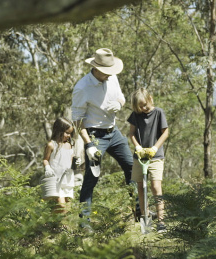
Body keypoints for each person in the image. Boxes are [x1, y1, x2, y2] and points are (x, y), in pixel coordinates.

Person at [71, 48, 136, 229]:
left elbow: (121, 97)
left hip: (113, 132)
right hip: (94, 135)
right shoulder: (82, 87)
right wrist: (89, 144)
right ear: (96, 68)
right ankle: (84, 223)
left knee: (131, 166)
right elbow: (76, 119)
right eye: (106, 72)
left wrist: (119, 104)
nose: (110, 75)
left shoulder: (112, 77)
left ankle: (139, 212)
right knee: (92, 178)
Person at [128, 88, 169, 233]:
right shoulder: (136, 115)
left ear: (150, 98)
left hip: (155, 157)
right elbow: (131, 133)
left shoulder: (158, 112)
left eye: (144, 105)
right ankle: (145, 217)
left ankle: (161, 221)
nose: (143, 109)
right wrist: (137, 146)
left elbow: (165, 132)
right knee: (140, 186)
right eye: (140, 107)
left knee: (156, 187)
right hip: (140, 156)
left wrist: (155, 148)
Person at [42, 117, 75, 213]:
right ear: (59, 130)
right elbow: (45, 159)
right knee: (61, 207)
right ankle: (51, 224)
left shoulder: (69, 145)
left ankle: (54, 224)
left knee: (67, 209)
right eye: (67, 133)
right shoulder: (51, 145)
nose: (69, 136)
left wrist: (76, 162)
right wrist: (47, 167)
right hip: (56, 181)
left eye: (70, 134)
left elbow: (70, 161)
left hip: (67, 180)